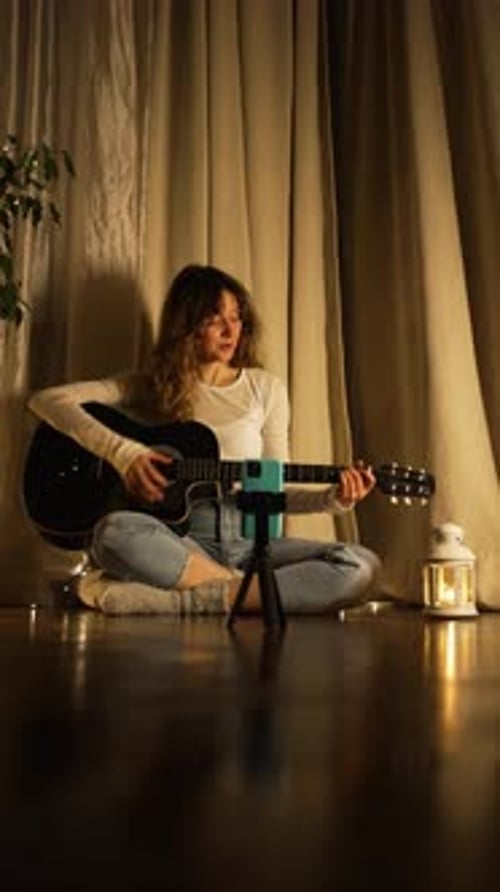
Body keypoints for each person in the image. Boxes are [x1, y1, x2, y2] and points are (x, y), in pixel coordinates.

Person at [28, 264, 381, 616]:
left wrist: (334, 498)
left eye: (236, 317)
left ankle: (186, 600)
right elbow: (46, 401)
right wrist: (123, 453)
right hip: (181, 541)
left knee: (362, 566)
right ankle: (247, 592)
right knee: (112, 533)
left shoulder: (265, 389)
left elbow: (276, 491)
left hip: (250, 541)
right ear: (187, 325)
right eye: (215, 319)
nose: (231, 330)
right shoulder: (151, 386)